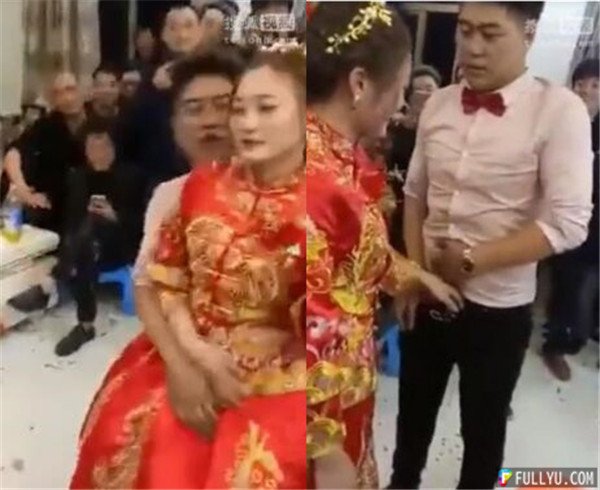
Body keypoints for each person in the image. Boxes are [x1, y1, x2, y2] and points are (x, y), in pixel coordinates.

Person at [69, 45, 307, 488]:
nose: (211, 120)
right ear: (175, 126)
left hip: (274, 368)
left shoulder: (298, 194)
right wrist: (182, 368)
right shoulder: (171, 194)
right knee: (131, 436)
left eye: (224, 105)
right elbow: (148, 286)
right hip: (178, 345)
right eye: (194, 109)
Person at [389, 3, 593, 489]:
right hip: (428, 293)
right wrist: (415, 272)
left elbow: (568, 223)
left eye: (490, 33)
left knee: (483, 428)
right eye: (465, 31)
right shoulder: (438, 103)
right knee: (412, 411)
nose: (472, 48)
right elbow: (415, 194)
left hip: (498, 310)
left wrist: (471, 260)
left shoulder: (559, 111)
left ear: (529, 32)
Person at [305, 3, 463, 489]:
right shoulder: (316, 177)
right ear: (359, 83)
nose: (400, 105)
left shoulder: (336, 154)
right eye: (399, 87)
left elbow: (355, 253)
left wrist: (413, 275)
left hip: (343, 385)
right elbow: (293, 321)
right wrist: (319, 444)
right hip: (315, 408)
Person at [54, 121, 146, 357]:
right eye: (93, 149)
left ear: (114, 148)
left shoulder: (131, 176)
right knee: (85, 239)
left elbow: (143, 223)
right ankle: (85, 326)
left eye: (104, 147)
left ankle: (50, 282)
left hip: (120, 245)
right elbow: (70, 221)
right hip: (85, 248)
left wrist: (114, 215)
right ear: (85, 151)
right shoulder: (78, 178)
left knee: (88, 234)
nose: (99, 154)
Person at [541, 58, 599, 381]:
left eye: (595, 85)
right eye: (581, 83)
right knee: (563, 286)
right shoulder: (556, 121)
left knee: (578, 291)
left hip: (592, 227)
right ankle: (553, 343)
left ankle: (563, 342)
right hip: (550, 219)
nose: (586, 90)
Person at [3, 72, 87, 234]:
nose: (67, 98)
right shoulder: (47, 125)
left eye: (70, 89)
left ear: (82, 90)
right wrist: (22, 189)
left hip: (86, 199)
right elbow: (13, 153)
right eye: (58, 93)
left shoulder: (96, 121)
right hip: (50, 203)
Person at [387, 65, 442, 252]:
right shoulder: (393, 129)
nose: (424, 95)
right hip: (396, 210)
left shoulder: (442, 134)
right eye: (418, 89)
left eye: (429, 89)